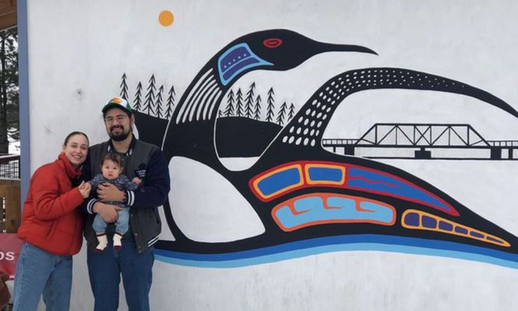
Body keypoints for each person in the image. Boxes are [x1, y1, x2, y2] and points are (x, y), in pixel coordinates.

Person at [81, 96, 170, 311]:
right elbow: (78, 195)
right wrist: (97, 206)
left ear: (132, 119)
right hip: (101, 244)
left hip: (136, 244)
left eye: (120, 117)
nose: (115, 122)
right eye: (109, 119)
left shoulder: (151, 153)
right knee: (103, 304)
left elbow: (159, 193)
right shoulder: (93, 154)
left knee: (138, 303)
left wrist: (124, 197)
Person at [13, 131, 91, 311]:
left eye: (83, 147)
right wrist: (77, 195)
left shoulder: (78, 179)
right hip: (38, 252)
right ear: (64, 148)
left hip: (64, 256)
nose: (78, 151)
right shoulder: (48, 172)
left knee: (59, 307)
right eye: (74, 145)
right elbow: (43, 209)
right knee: (24, 305)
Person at [89, 152, 141, 252]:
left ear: (120, 170)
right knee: (97, 224)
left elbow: (130, 188)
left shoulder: (123, 179)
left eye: (114, 168)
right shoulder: (99, 178)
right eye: (107, 167)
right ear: (101, 167)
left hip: (121, 207)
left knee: (124, 220)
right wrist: (87, 186)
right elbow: (92, 184)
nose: (110, 171)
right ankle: (102, 241)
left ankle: (117, 238)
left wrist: (135, 183)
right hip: (104, 208)